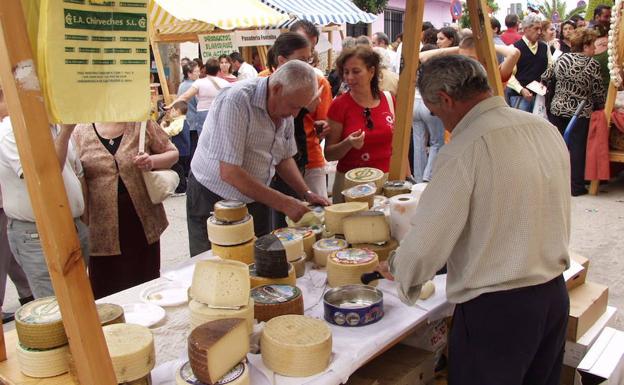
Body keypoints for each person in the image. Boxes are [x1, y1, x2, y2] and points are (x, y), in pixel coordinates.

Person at [377, 55, 571, 385]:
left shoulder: (465, 148)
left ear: (447, 100)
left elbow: (428, 240)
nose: (442, 124)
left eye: (436, 113)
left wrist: (399, 266)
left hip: (499, 311)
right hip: (553, 296)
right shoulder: (544, 129)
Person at [186, 60, 330, 256]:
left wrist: (306, 192)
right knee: (214, 263)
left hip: (254, 195)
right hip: (212, 196)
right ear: (277, 88)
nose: (295, 114)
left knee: (257, 261)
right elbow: (230, 172)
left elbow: (284, 157)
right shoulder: (235, 101)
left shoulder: (285, 109)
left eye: (300, 108)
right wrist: (284, 202)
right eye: (294, 106)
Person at [72, 120, 178, 299]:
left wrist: (151, 161)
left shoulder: (141, 123)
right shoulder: (79, 132)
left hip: (142, 223)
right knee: (107, 290)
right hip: (101, 228)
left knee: (146, 285)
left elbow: (172, 153)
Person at [0, 89, 89, 299]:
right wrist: (66, 132)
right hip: (37, 234)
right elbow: (46, 177)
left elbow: (77, 172)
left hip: (73, 224)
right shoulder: (12, 132)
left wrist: (84, 220)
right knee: (58, 305)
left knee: (80, 299)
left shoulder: (54, 125)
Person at [325, 46, 395, 203]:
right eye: (345, 72)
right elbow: (329, 154)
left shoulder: (389, 100)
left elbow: (398, 145)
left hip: (386, 182)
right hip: (351, 187)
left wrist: (405, 176)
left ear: (371, 71)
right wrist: (348, 143)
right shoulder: (339, 105)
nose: (349, 77)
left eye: (356, 71)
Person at [542, 28, 605, 196]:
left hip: (557, 108)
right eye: (592, 45)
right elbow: (598, 91)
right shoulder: (592, 64)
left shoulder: (561, 58)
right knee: (577, 149)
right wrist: (601, 106)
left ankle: (556, 184)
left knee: (558, 147)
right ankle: (576, 187)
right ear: (585, 46)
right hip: (579, 111)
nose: (594, 49)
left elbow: (545, 77)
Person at [0, 89, 33, 321]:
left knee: (11, 257)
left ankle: (27, 295)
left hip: (7, 207)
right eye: (4, 98)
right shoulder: (6, 133)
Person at [166, 58, 232, 152]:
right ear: (219, 70)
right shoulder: (226, 84)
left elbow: (185, 97)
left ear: (205, 70)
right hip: (220, 113)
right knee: (219, 140)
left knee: (204, 142)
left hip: (203, 114)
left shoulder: (199, 82)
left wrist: (171, 105)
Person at [507, 13, 551, 111]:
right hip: (520, 97)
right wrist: (521, 89)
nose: (539, 32)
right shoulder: (514, 49)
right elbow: (508, 74)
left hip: (540, 98)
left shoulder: (545, 47)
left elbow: (550, 68)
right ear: (526, 29)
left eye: (540, 28)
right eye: (536, 29)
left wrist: (546, 81)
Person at [161, 101, 189, 195]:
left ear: (177, 111)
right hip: (183, 149)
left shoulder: (179, 121)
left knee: (178, 168)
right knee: (181, 168)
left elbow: (172, 131)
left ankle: (182, 188)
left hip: (180, 149)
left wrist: (162, 128)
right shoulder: (182, 120)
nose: (170, 113)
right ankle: (183, 186)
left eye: (172, 110)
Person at [177, 62, 199, 160]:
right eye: (196, 71)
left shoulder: (181, 85)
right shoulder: (195, 86)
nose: (198, 73)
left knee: (187, 148)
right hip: (194, 122)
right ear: (189, 74)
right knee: (194, 149)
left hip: (184, 121)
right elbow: (199, 104)